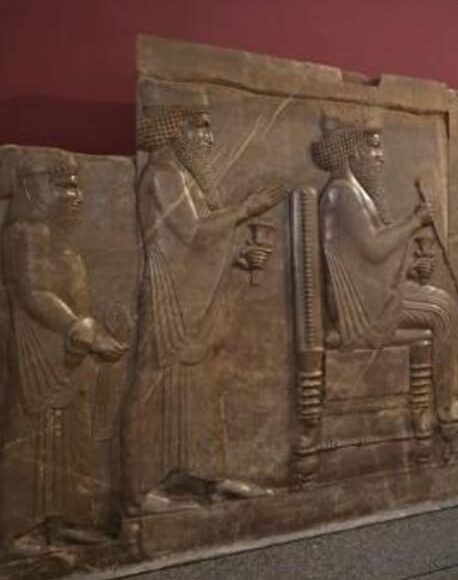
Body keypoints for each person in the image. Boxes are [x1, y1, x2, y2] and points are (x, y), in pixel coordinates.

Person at [122, 82, 288, 515]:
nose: (208, 138)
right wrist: (247, 209)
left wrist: (238, 256)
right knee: (161, 384)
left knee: (204, 386)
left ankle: (207, 476)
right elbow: (194, 234)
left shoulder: (181, 176)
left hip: (190, 295)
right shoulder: (164, 174)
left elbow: (197, 245)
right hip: (171, 299)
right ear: (173, 126)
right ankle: (143, 489)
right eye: (200, 126)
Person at [311, 115, 458, 420]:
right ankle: (445, 409)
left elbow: (364, 260)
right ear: (353, 150)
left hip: (369, 296)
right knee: (442, 312)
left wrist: (409, 268)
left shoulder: (351, 191)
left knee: (442, 302)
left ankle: (445, 404)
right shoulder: (343, 193)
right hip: (361, 310)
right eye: (373, 147)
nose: (380, 156)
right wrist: (415, 221)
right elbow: (374, 249)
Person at [0, 147, 127, 554]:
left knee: (74, 433)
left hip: (69, 350)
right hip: (40, 347)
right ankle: (18, 529)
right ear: (34, 189)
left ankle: (70, 518)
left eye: (76, 185)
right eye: (62, 186)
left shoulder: (57, 234)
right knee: (33, 435)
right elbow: (33, 292)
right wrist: (79, 327)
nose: (75, 195)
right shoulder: (27, 232)